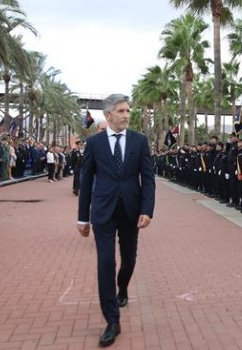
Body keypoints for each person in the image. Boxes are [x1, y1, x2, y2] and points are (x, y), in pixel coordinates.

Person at [77, 94, 155, 347]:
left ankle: (122, 288)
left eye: (128, 110)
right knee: (106, 262)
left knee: (129, 259)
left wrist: (147, 209)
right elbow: (86, 180)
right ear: (108, 115)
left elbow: (148, 178)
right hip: (103, 212)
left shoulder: (139, 141)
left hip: (132, 211)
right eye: (121, 111)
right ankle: (112, 320)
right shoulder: (95, 143)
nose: (126, 115)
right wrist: (82, 218)